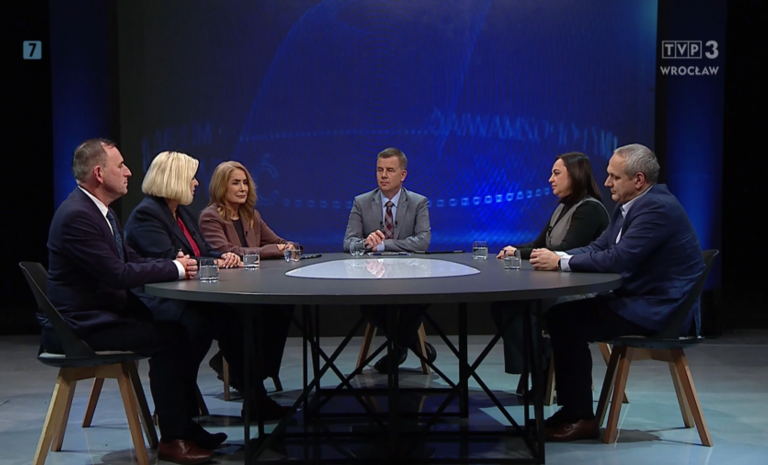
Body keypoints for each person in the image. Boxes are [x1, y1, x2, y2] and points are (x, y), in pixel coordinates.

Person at [44, 138, 217, 464]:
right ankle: (173, 438)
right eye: (121, 166)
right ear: (99, 173)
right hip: (82, 327)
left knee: (186, 324)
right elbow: (118, 274)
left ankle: (184, 427)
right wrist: (176, 267)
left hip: (101, 315)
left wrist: (174, 265)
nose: (129, 172)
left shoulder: (102, 212)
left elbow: (131, 260)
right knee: (172, 335)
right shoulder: (78, 216)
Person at [529, 144, 705, 442]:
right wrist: (557, 257)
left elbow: (619, 259)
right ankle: (573, 413)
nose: (607, 182)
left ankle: (579, 417)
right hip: (639, 299)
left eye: (614, 177)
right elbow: (598, 248)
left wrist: (560, 262)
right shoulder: (629, 207)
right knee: (561, 315)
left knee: (565, 320)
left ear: (638, 180)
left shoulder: (657, 208)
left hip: (661, 311)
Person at [491, 152, 609, 381]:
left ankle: (541, 368)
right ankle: (540, 362)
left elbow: (564, 251)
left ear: (574, 175)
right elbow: (540, 245)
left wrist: (518, 253)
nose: (550, 179)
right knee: (502, 304)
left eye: (556, 173)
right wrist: (514, 250)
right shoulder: (562, 208)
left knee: (515, 306)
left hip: (582, 291)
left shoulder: (589, 209)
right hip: (559, 284)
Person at [198, 160, 294, 389]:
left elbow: (278, 241)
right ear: (221, 186)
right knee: (256, 315)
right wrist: (274, 250)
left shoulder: (251, 215)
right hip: (227, 291)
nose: (243, 188)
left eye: (245, 183)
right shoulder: (210, 217)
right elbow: (230, 251)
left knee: (283, 307)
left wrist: (288, 246)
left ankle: (256, 372)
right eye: (235, 183)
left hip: (254, 286)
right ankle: (248, 376)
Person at [342, 147, 435, 373]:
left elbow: (422, 242)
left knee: (414, 304)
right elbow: (348, 242)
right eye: (379, 170)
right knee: (369, 306)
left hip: (410, 278)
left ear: (403, 175)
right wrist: (365, 243)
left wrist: (384, 246)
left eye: (390, 170)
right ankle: (411, 344)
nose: (383, 175)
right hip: (372, 279)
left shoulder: (418, 202)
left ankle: (399, 348)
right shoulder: (362, 202)